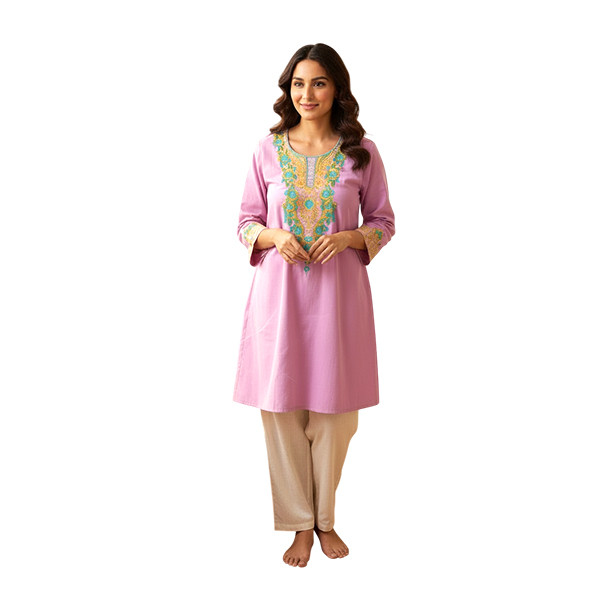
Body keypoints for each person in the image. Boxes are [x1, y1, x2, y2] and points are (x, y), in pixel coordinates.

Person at [233, 43, 395, 568]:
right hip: (278, 302)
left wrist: (349, 238)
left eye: (319, 82)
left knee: (335, 417)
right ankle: (301, 525)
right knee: (281, 412)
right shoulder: (267, 150)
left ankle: (326, 517)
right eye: (298, 84)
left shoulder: (361, 152)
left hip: (338, 303)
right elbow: (245, 223)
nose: (307, 94)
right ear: (289, 90)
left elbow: (384, 221)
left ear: (336, 88)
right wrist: (274, 236)